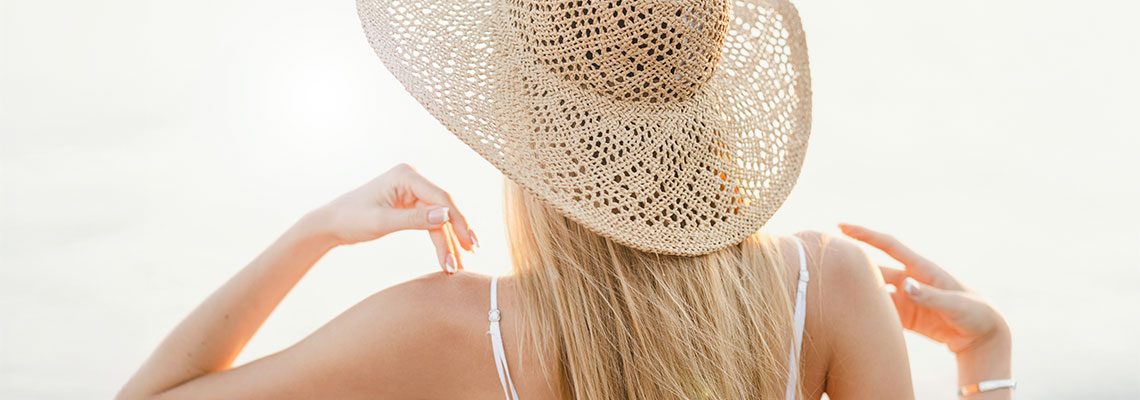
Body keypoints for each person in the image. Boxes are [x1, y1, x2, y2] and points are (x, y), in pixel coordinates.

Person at [118, 0, 1013, 398]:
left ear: (521, 121)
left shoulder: (449, 328)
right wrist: (987, 367)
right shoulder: (829, 287)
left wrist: (313, 233)